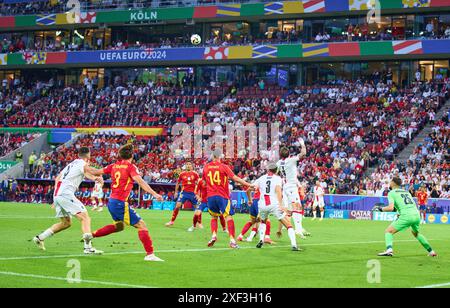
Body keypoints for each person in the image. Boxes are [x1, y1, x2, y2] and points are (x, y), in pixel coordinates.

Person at [91, 144, 164, 262]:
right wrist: (155, 194)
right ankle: (150, 254)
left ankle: (90, 235)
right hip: (120, 202)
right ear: (132, 155)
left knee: (119, 226)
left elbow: (95, 171)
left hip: (112, 202)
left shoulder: (113, 165)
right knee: (141, 225)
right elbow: (140, 181)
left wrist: (83, 167)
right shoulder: (130, 167)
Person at [32, 147, 104, 254]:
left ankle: (40, 238)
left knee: (66, 223)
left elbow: (58, 178)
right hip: (65, 194)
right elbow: (92, 171)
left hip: (58, 195)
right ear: (88, 155)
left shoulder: (72, 164)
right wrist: (105, 171)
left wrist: (55, 197)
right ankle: (88, 247)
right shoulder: (82, 163)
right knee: (85, 218)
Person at [374, 177, 437, 257]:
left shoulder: (391, 193)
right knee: (416, 233)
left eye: (390, 182)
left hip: (407, 216)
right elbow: (407, 204)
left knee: (388, 231)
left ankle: (389, 250)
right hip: (416, 215)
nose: (389, 183)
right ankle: (431, 251)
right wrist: (399, 212)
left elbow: (390, 208)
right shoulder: (406, 192)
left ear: (393, 183)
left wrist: (380, 209)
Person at [203, 149, 253, 249]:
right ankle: (232, 241)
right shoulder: (224, 167)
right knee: (228, 217)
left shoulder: (206, 167)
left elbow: (204, 183)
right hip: (222, 195)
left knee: (214, 217)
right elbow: (235, 178)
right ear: (220, 157)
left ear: (213, 156)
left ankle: (213, 236)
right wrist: (248, 184)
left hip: (211, 196)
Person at [253, 163, 300, 251]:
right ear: (276, 171)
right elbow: (278, 190)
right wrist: (281, 205)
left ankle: (261, 240)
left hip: (263, 205)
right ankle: (294, 245)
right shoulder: (278, 178)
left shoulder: (261, 178)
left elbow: (252, 187)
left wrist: (249, 197)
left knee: (263, 221)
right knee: (288, 225)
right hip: (274, 204)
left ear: (268, 170)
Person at [276, 137, 308, 236]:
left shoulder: (278, 163)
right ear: (288, 154)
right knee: (297, 207)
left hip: (286, 186)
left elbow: (276, 173)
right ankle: (298, 229)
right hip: (291, 187)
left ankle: (298, 228)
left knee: (290, 209)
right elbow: (303, 154)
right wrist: (302, 144)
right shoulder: (291, 160)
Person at [166, 162, 200, 227]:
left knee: (197, 208)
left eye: (189, 164)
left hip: (193, 193)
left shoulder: (195, 174)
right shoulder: (182, 174)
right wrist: (176, 192)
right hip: (184, 193)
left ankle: (198, 222)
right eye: (187, 164)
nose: (188, 166)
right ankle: (172, 221)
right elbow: (177, 183)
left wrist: (198, 194)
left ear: (192, 166)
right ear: (185, 166)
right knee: (177, 206)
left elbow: (199, 184)